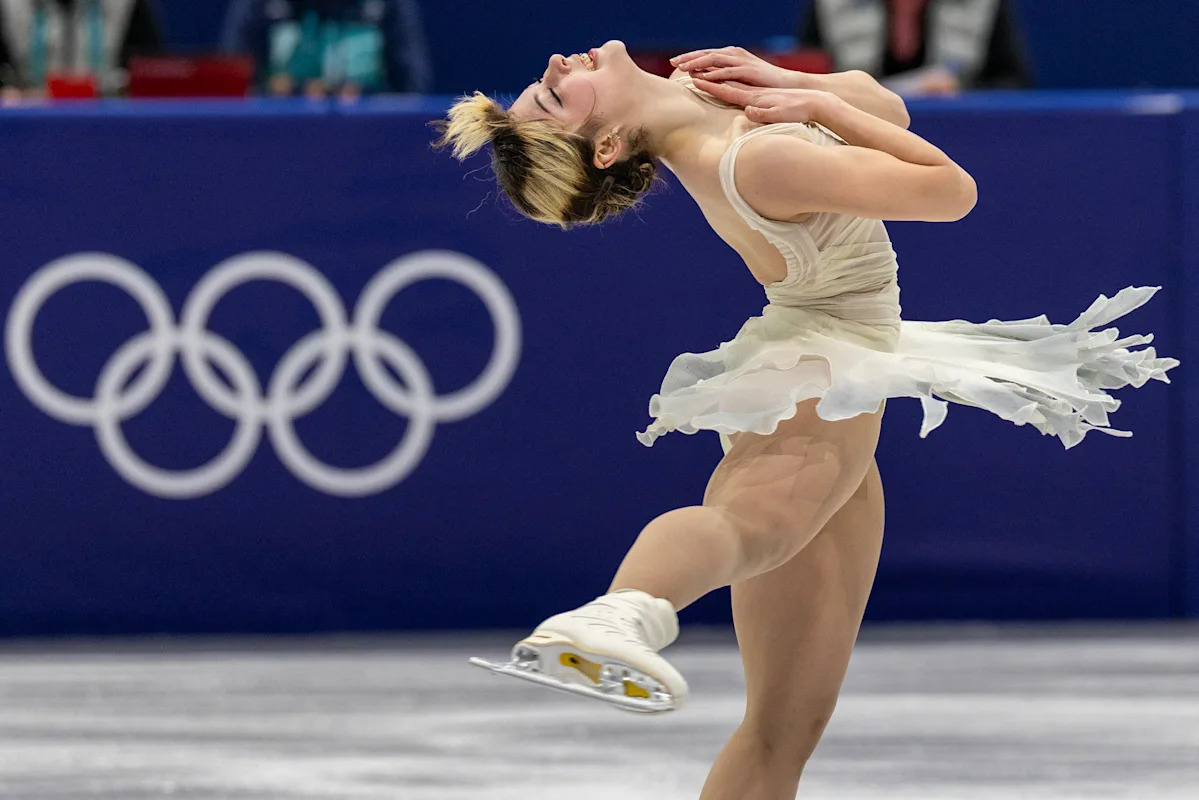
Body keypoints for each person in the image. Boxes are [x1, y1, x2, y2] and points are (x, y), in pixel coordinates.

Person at [435, 41, 1176, 796]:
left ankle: (625, 612)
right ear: (611, 145)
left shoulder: (701, 89)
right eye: (556, 95)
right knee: (751, 527)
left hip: (842, 352)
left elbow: (886, 108)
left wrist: (790, 82)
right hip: (824, 362)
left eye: (547, 80)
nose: (559, 62)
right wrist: (814, 104)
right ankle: (620, 614)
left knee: (782, 731)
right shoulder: (755, 160)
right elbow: (951, 192)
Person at [799, 0, 1033, 96]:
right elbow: (805, 80)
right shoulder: (832, 6)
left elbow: (1012, 83)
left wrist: (960, 91)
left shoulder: (982, 6)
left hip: (955, 135)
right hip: (851, 138)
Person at [220, 0, 431, 99]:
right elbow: (232, 90)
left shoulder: (389, 6)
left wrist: (364, 95)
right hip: (274, 141)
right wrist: (292, 93)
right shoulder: (257, 6)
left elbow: (411, 90)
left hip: (367, 142)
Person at [0, 0, 163, 100]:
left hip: (105, 123)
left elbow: (150, 72)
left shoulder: (127, 4)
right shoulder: (7, 5)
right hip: (27, 126)